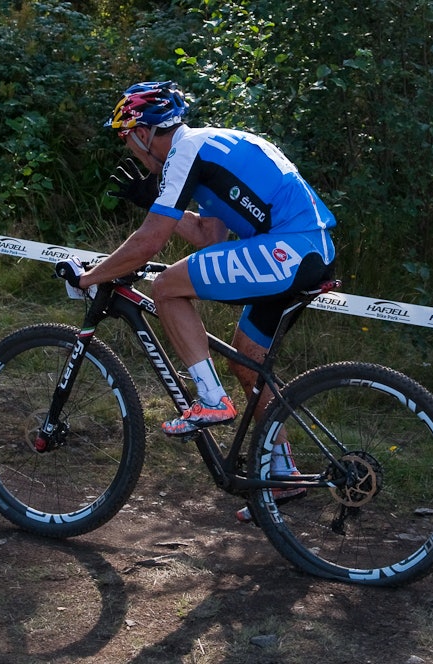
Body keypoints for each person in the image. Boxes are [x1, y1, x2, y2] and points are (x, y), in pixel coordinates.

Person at [57, 80, 336, 521]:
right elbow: (209, 235)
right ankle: (281, 474)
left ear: (142, 133)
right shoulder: (206, 147)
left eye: (126, 138)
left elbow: (150, 242)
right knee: (247, 361)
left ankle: (210, 399)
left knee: (166, 286)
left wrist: (90, 276)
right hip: (306, 250)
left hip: (287, 249)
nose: (128, 148)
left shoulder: (187, 150)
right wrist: (155, 198)